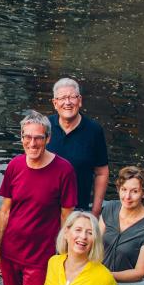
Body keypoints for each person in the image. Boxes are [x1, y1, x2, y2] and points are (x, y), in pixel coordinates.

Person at [0, 111, 77, 285]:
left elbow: (66, 216)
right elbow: (5, 210)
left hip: (40, 258)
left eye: (38, 138)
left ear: (48, 138)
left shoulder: (64, 170)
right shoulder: (15, 166)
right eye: (27, 137)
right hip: (10, 253)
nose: (32, 143)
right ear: (21, 138)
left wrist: (64, 256)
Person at [49, 77, 109, 216]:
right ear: (55, 103)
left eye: (72, 97)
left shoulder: (94, 130)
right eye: (62, 98)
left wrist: (95, 211)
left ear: (80, 100)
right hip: (46, 208)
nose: (67, 102)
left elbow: (102, 173)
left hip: (77, 210)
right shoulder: (45, 127)